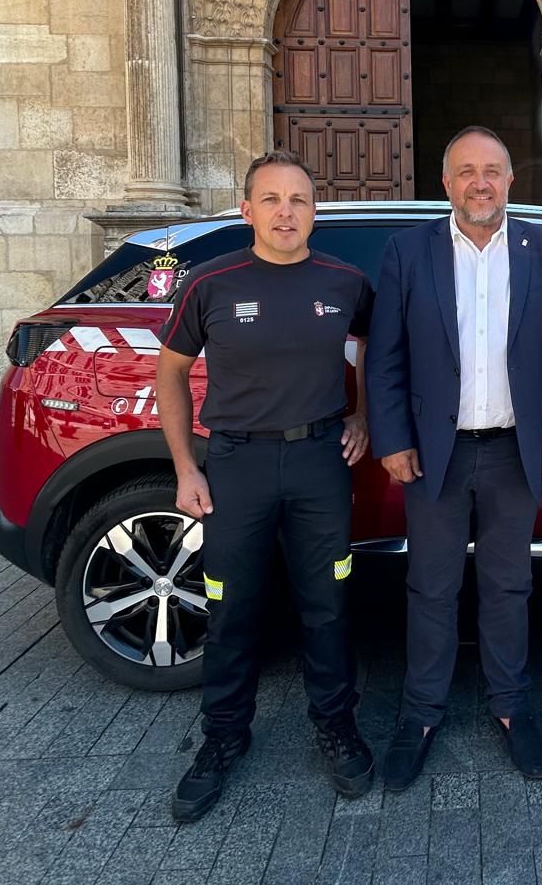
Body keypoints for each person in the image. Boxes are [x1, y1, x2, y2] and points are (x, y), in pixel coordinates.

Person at [366, 126, 542, 789]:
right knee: (430, 587)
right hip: (433, 456)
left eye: (491, 169)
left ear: (510, 179)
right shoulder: (408, 251)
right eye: (465, 171)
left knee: (508, 586)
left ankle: (511, 707)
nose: (480, 183)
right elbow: (385, 357)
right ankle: (421, 714)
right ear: (445, 183)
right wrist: (393, 438)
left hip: (513, 454)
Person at [155, 150, 377, 822]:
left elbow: (372, 347)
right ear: (247, 210)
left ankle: (335, 727)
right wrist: (185, 467)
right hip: (236, 466)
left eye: (299, 200)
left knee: (328, 605)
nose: (286, 211)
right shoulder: (210, 282)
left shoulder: (345, 281)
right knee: (231, 608)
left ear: (315, 212)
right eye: (272, 199)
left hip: (318, 463)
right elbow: (168, 374)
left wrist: (362, 411)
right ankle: (223, 737)